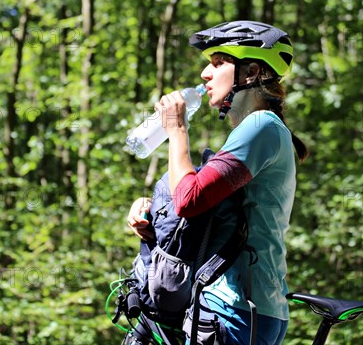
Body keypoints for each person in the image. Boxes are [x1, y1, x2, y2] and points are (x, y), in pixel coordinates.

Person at [127, 20, 308, 345]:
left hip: (236, 309)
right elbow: (204, 205)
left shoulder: (261, 126)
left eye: (217, 62)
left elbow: (189, 199)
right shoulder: (257, 130)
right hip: (246, 308)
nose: (204, 74)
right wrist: (153, 210)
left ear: (250, 72)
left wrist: (176, 130)